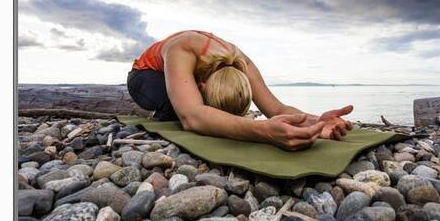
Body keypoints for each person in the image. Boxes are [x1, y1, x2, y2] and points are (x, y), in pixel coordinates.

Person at [127, 29, 354, 151]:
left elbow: (276, 108)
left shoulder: (242, 62)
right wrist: (262, 131)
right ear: (202, 87)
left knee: (208, 119)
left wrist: (315, 122)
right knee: (177, 111)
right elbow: (192, 117)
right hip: (145, 76)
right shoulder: (182, 48)